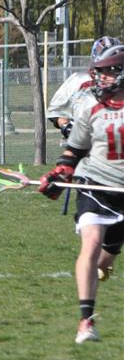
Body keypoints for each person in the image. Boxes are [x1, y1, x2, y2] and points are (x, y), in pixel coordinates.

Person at [38, 44, 124, 344]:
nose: (100, 79)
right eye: (98, 73)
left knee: (105, 261)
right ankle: (86, 322)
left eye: (107, 73)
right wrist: (58, 174)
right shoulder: (90, 106)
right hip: (95, 184)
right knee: (91, 244)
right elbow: (74, 150)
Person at [46, 35, 121, 281]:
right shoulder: (78, 82)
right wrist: (66, 126)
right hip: (85, 158)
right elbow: (55, 112)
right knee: (92, 235)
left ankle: (105, 256)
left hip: (114, 159)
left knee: (110, 245)